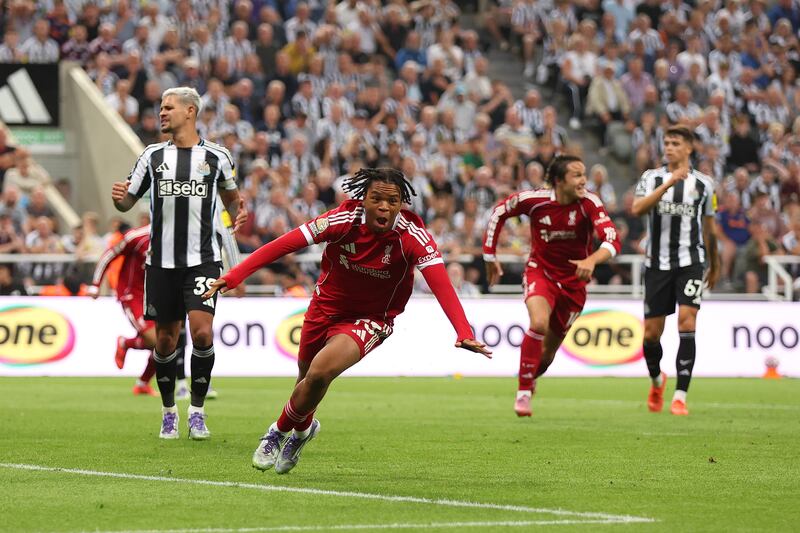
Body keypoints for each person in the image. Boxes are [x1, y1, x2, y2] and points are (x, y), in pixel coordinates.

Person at [203, 167, 491, 474]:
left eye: (393, 201)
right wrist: (234, 276)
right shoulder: (342, 220)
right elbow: (284, 244)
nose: (384, 207)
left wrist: (463, 331)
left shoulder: (411, 235)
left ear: (401, 204)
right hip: (324, 308)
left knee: (319, 373)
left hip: (371, 319)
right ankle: (303, 432)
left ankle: (277, 432)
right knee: (306, 380)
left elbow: (441, 283)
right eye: (377, 199)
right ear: (363, 199)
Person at [110, 87, 246, 440]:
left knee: (201, 332)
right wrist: (121, 200)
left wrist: (238, 212)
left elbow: (232, 199)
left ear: (190, 111)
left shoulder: (217, 157)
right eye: (161, 107)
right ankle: (169, 411)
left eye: (169, 107)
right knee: (166, 341)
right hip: (161, 264)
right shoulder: (151, 156)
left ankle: (197, 413)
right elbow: (128, 203)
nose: (162, 112)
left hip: (203, 261)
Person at [482, 154, 622, 417]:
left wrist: (592, 260)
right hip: (541, 273)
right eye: (576, 175)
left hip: (574, 284)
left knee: (546, 356)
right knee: (538, 323)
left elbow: (612, 240)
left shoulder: (589, 203)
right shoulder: (534, 201)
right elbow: (500, 211)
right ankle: (523, 392)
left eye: (584, 174)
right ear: (559, 181)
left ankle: (532, 378)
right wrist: (489, 255)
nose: (583, 180)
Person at [631, 125, 720, 416]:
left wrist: (714, 263)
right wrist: (669, 183)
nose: (668, 147)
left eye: (675, 143)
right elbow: (638, 209)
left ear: (689, 148)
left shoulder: (704, 184)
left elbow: (709, 228)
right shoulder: (651, 178)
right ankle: (657, 381)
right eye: (666, 142)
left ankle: (680, 395)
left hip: (690, 262)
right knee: (651, 335)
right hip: (657, 264)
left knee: (686, 321)